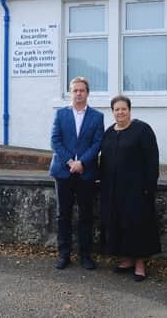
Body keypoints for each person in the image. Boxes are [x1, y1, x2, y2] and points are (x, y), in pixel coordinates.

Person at [100, 95, 160, 281]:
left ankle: (140, 263)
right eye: (116, 109)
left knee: (137, 224)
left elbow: (152, 160)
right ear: (112, 112)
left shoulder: (142, 130)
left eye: (123, 109)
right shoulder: (109, 132)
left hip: (137, 189)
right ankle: (126, 259)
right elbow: (104, 160)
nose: (120, 112)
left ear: (129, 110)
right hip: (114, 189)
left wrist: (150, 185)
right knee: (119, 223)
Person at [49, 76, 104, 270]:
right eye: (75, 90)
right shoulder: (61, 114)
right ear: (70, 93)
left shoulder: (97, 117)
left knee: (86, 215)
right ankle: (63, 254)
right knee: (63, 215)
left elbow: (97, 143)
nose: (78, 93)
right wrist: (71, 162)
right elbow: (55, 141)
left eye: (82, 90)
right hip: (63, 172)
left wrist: (82, 162)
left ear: (87, 93)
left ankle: (85, 256)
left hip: (86, 173)